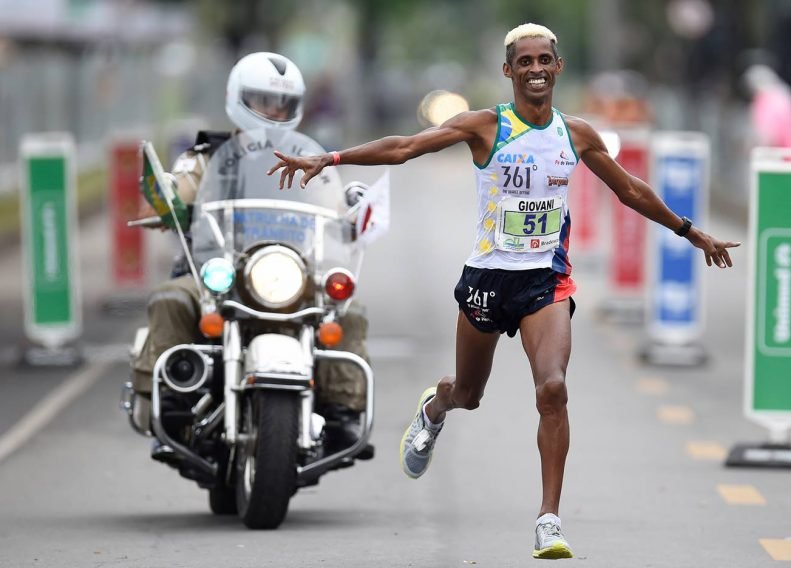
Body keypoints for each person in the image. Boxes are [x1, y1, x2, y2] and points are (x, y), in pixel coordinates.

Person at [267, 24, 740, 559]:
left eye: (545, 60)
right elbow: (404, 147)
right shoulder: (485, 126)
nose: (536, 69)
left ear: (558, 68)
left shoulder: (576, 134)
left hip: (546, 282)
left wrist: (689, 230)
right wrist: (327, 160)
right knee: (469, 395)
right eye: (526, 62)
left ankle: (549, 521)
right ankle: (435, 409)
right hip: (488, 280)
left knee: (553, 389)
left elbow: (628, 188)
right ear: (509, 70)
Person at [131, 51, 372, 460]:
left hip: (290, 271)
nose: (274, 110)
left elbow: (335, 206)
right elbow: (164, 201)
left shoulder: (308, 161)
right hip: (219, 268)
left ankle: (340, 412)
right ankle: (171, 402)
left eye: (282, 103)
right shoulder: (205, 156)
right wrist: (166, 202)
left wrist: (352, 210)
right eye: (263, 101)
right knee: (173, 298)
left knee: (347, 310)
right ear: (238, 98)